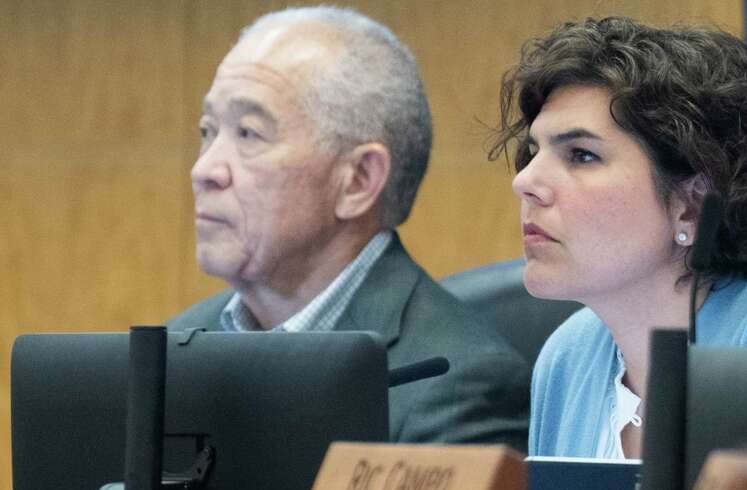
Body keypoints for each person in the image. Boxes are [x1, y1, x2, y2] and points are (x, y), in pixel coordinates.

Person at [489, 16, 747, 459]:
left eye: (582, 155)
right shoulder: (568, 356)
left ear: (692, 204)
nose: (524, 180)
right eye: (532, 152)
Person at [167, 6, 529, 451]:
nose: (204, 170)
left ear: (357, 180)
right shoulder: (171, 352)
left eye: (248, 134)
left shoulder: (459, 387)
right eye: (208, 131)